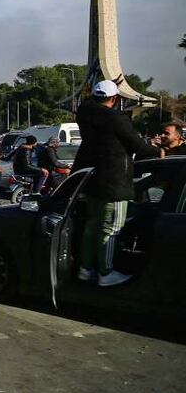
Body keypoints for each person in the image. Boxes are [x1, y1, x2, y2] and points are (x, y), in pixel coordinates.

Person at [73, 80, 160, 286]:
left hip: (92, 181)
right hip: (114, 183)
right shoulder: (115, 118)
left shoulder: (85, 117)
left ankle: (86, 269)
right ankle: (106, 272)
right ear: (115, 99)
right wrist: (158, 151)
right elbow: (137, 145)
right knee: (111, 229)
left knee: (92, 226)